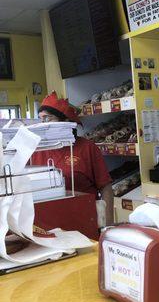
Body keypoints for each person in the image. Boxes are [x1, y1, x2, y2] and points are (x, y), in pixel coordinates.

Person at [31, 92, 114, 225]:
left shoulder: (87, 148)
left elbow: (106, 187)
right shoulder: (36, 151)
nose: (43, 124)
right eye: (40, 119)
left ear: (66, 122)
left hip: (84, 219)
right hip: (48, 222)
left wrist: (108, 225)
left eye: (48, 118)